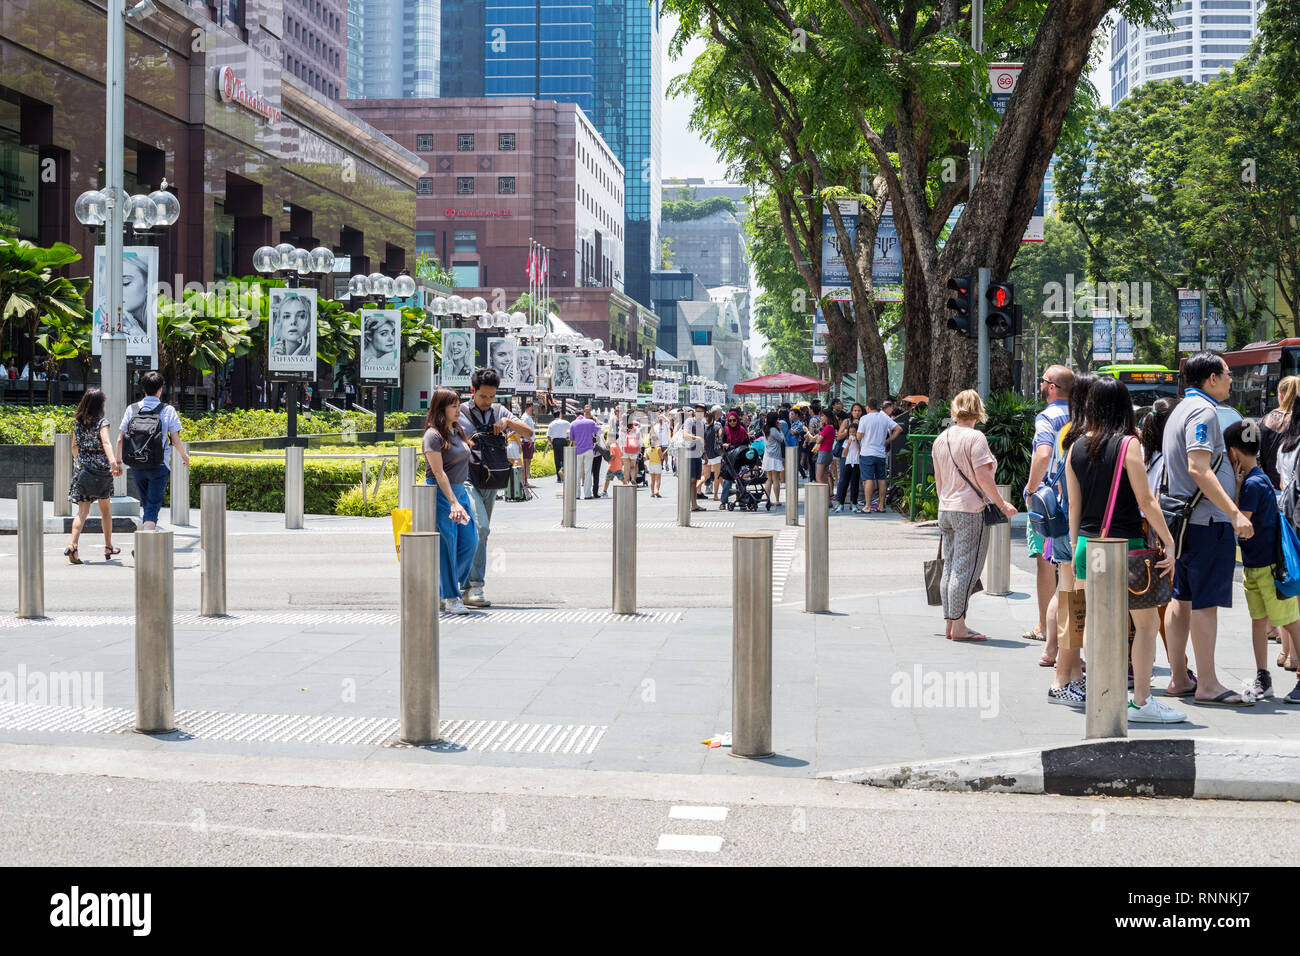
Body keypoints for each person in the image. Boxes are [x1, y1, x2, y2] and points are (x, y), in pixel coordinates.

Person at [1065, 376, 1182, 720]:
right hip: (1125, 548)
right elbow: (1146, 500)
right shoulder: (1129, 444)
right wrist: (1170, 541)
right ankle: (1142, 701)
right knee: (1144, 625)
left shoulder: (1075, 447)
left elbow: (1074, 506)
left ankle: (1101, 692)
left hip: (1087, 544)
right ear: (1122, 406)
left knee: (1095, 623)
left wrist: (1075, 548)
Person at [1161, 351, 1254, 705]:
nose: (1231, 380)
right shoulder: (1203, 412)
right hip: (1205, 523)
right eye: (1227, 374)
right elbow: (1199, 468)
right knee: (1203, 603)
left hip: (1184, 523)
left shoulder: (1180, 409)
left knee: (1181, 598)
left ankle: (1179, 677)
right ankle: (1209, 683)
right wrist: (1234, 512)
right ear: (1211, 378)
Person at [931, 390, 1018, 641]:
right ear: (978, 409)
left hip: (946, 508)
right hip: (970, 511)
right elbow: (983, 478)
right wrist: (1002, 504)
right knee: (965, 569)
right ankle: (959, 626)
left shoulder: (941, 438)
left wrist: (945, 501)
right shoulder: (975, 438)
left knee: (950, 567)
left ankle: (951, 623)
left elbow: (938, 479)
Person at [1226, 419, 1300, 703]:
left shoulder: (1253, 484)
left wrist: (1232, 488)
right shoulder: (1258, 479)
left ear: (1233, 452)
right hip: (1256, 565)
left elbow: (1241, 523)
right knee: (1260, 621)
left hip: (1267, 568)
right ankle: (1262, 677)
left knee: (1289, 621)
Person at [459, 367, 532, 608]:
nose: (488, 401)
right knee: (479, 527)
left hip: (491, 479)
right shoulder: (459, 412)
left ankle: (460, 585)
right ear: (472, 391)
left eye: (492, 396)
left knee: (481, 530)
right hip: (466, 477)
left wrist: (508, 422)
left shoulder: (501, 411)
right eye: (483, 396)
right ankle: (472, 586)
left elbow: (529, 433)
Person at [1141, 397, 1195, 683]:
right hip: (1160, 532)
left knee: (1138, 600)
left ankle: (1133, 661)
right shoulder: (1170, 459)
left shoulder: (1143, 453)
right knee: (1165, 603)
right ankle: (1180, 667)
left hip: (1139, 530)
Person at [1023, 365, 1075, 649]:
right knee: (1072, 570)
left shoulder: (1048, 417)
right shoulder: (1083, 414)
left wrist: (1031, 489)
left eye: (1042, 381)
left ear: (1052, 387)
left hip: (1051, 501)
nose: (1040, 385)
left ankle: (1045, 626)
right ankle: (1071, 630)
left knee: (1047, 562)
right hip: (1078, 501)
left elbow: (1043, 455)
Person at [422, 387, 478, 615]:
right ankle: (450, 597)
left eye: (458, 405)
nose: (458, 409)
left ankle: (446, 587)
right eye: (453, 406)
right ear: (441, 408)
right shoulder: (433, 436)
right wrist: (453, 502)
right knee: (447, 545)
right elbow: (438, 472)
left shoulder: (457, 430)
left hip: (459, 493)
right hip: (442, 495)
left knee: (470, 541)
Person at [117, 370, 187, 532]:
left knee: (147, 506)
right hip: (159, 465)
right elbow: (175, 440)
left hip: (137, 465)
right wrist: (184, 456)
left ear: (143, 389)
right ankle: (144, 544)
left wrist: (117, 462)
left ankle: (143, 542)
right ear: (160, 389)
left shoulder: (132, 409)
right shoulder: (168, 410)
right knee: (152, 508)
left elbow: (120, 438)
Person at [65, 387, 123, 564]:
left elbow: (74, 446)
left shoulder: (78, 422)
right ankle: (108, 546)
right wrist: (113, 462)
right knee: (105, 510)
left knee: (82, 511)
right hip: (100, 470)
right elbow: (106, 442)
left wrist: (79, 462)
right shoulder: (101, 422)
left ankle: (73, 546)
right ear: (99, 405)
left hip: (82, 469)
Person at [858, 397, 903, 513]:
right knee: (881, 479)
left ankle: (867, 506)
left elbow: (859, 436)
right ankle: (881, 506)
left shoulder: (864, 418)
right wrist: (888, 441)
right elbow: (898, 429)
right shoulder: (884, 418)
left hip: (867, 452)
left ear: (867, 407)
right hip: (880, 453)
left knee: (868, 479)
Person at [1259, 376, 1298, 488]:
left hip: (1267, 488)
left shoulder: (1264, 420)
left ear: (1280, 395)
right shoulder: (1297, 421)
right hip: (1292, 492)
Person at [718, 408, 750, 509]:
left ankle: (742, 502)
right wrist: (725, 445)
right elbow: (720, 444)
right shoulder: (725, 430)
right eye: (730, 420)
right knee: (727, 481)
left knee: (742, 481)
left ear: (737, 420)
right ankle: (723, 502)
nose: (732, 422)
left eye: (734, 420)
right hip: (729, 460)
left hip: (741, 460)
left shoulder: (742, 430)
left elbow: (746, 443)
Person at [835, 404, 864, 512]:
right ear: (851, 411)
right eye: (855, 410)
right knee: (843, 479)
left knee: (855, 480)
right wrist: (849, 431)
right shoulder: (846, 421)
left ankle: (853, 503)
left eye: (859, 410)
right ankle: (839, 502)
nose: (857, 412)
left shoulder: (863, 421)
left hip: (857, 455)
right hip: (846, 455)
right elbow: (838, 436)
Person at [569, 406, 601, 499]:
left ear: (575, 415)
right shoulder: (590, 422)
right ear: (583, 414)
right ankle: (587, 494)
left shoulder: (573, 424)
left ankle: (577, 495)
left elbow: (571, 439)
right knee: (587, 472)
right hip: (589, 449)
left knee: (577, 472)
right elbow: (599, 431)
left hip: (578, 451)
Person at [271, 292, 312, 356]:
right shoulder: (267, 357)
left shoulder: (321, 363)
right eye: (287, 316)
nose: (293, 322)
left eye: (301, 316)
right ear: (279, 322)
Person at [762, 411, 785, 506]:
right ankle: (777, 500)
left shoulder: (765, 428)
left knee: (768, 479)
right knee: (775, 479)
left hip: (767, 456)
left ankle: (768, 499)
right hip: (775, 456)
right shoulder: (774, 430)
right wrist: (780, 429)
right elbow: (781, 439)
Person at [702, 407, 723, 499]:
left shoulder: (702, 426)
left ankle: (696, 489)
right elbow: (721, 434)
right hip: (715, 454)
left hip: (706, 455)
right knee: (717, 475)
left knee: (705, 476)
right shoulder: (717, 425)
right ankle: (715, 495)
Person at [547, 410, 570, 485]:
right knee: (565, 458)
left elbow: (548, 436)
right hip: (563, 441)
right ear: (560, 414)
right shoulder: (565, 422)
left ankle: (559, 478)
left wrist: (551, 443)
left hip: (555, 441)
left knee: (557, 460)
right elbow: (571, 428)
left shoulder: (551, 424)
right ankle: (564, 474)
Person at [520, 400, 537, 488]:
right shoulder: (525, 417)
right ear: (530, 406)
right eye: (533, 406)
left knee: (528, 461)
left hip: (530, 441)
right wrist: (528, 438)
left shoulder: (528, 417)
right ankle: (525, 481)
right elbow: (522, 429)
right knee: (526, 461)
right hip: (527, 442)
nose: (533, 408)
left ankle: (526, 480)